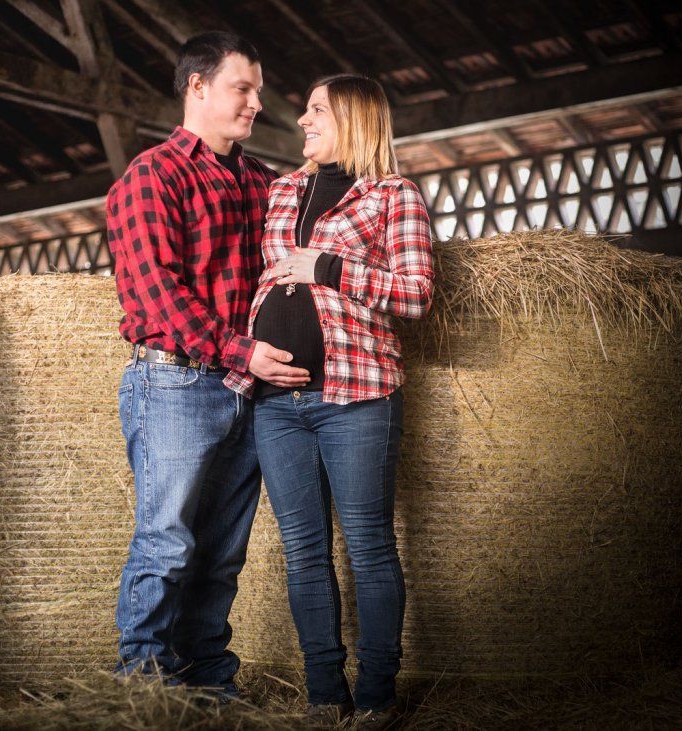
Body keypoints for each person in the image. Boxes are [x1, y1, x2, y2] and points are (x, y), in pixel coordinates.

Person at [222, 74, 434, 727]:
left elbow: (416, 293)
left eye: (317, 110)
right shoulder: (282, 191)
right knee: (303, 549)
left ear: (353, 118)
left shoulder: (393, 194)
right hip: (275, 402)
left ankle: (375, 697)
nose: (303, 120)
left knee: (368, 544)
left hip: (357, 394)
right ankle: (323, 694)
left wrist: (330, 268)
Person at [105, 31, 310, 700]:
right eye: (242, 88)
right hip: (176, 379)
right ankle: (144, 688)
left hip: (249, 387)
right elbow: (157, 292)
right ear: (197, 87)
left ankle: (208, 684)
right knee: (167, 542)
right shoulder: (153, 174)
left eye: (258, 91)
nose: (257, 103)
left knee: (222, 551)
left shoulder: (263, 183)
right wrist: (244, 351)